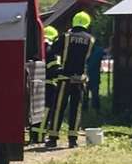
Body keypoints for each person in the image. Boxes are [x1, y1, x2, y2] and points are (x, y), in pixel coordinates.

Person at [46, 11, 96, 148]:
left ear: (74, 21)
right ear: (87, 23)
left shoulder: (66, 36)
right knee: (76, 109)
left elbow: (51, 51)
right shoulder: (90, 39)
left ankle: (53, 138)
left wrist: (56, 67)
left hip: (64, 78)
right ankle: (72, 140)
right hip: (79, 79)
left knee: (58, 108)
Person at [30, 25, 61, 144]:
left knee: (35, 111)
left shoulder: (37, 47)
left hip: (36, 84)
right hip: (49, 85)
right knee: (46, 111)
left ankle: (34, 135)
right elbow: (54, 68)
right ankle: (39, 137)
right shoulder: (52, 50)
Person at [83, 42, 105, 111]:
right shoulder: (99, 50)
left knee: (93, 94)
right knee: (86, 94)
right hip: (88, 75)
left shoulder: (98, 50)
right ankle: (87, 109)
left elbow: (108, 52)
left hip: (92, 76)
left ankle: (95, 109)